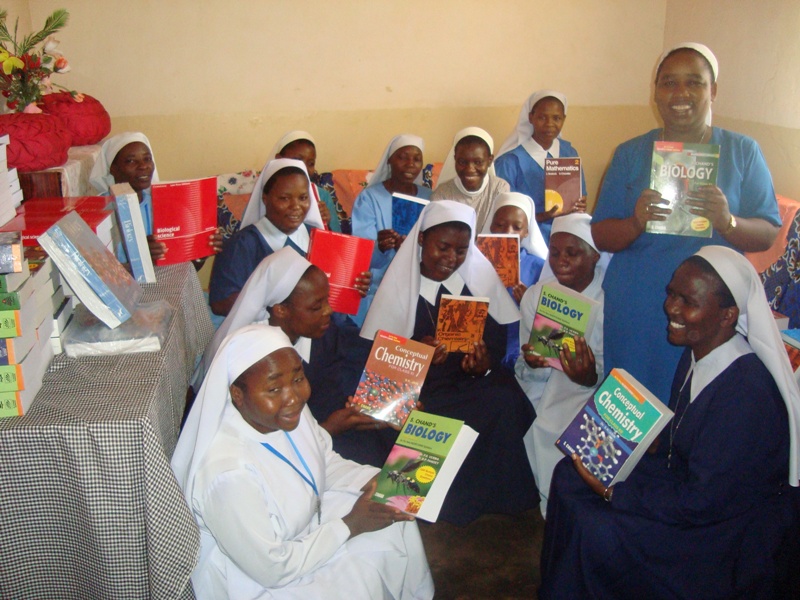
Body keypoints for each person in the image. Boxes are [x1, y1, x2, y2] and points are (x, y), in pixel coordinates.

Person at [539, 246, 800, 599]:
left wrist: (615, 492)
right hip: (690, 486)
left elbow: (705, 502)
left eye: (687, 301)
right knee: (570, 476)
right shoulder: (699, 353)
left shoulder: (746, 394)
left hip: (724, 535)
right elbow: (687, 443)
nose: (671, 308)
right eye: (671, 294)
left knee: (597, 525)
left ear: (727, 315)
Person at [173, 324, 434, 599]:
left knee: (393, 511)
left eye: (298, 379)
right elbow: (273, 568)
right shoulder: (227, 474)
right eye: (273, 389)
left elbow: (323, 460)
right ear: (237, 395)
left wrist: (372, 482)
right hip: (261, 578)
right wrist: (351, 524)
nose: (293, 397)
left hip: (310, 521)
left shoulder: (285, 412)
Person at [591, 42, 781, 403]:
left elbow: (768, 231)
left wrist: (727, 221)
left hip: (711, 312)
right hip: (639, 306)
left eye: (694, 82)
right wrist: (635, 222)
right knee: (633, 407)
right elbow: (601, 234)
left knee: (701, 405)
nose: (680, 93)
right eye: (668, 83)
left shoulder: (742, 151)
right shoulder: (630, 153)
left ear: (713, 90)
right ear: (656, 93)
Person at [360, 200, 537, 524]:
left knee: (504, 397)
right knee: (401, 420)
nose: (451, 258)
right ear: (423, 239)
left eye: (460, 250)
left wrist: (481, 364)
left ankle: (499, 500)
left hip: (467, 385)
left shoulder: (477, 283)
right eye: (443, 247)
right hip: (417, 393)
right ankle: (413, 496)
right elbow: (379, 378)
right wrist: (416, 354)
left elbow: (496, 349)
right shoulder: (400, 287)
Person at [203, 247, 394, 467]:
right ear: (281, 310)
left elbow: (366, 356)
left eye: (327, 301)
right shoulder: (253, 364)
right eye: (316, 307)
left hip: (339, 426)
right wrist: (329, 428)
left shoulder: (324, 333)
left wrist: (396, 399)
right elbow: (262, 443)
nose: (328, 311)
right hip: (293, 449)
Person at [515, 213, 605, 517]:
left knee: (568, 425)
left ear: (594, 256)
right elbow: (524, 367)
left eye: (572, 253)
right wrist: (533, 363)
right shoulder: (536, 296)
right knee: (534, 418)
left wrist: (589, 376)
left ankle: (570, 511)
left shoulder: (610, 298)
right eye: (554, 252)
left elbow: (615, 364)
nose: (560, 261)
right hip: (544, 385)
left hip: (594, 389)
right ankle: (547, 505)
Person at [208, 158, 325, 315]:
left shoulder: (318, 239)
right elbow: (220, 303)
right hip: (264, 332)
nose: (296, 206)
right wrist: (273, 308)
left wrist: (352, 287)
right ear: (265, 198)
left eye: (303, 198)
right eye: (284, 198)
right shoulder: (242, 244)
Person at [89, 132, 223, 266]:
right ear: (113, 168)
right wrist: (138, 257)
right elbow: (95, 269)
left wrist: (202, 249)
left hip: (167, 283)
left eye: (147, 159)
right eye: (130, 161)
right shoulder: (98, 211)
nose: (143, 166)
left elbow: (187, 267)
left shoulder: (165, 206)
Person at [351, 134, 432, 326]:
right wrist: (381, 246)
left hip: (419, 285)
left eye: (416, 159)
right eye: (402, 157)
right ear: (390, 160)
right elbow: (361, 254)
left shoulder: (429, 197)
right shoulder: (369, 198)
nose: (410, 164)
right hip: (379, 287)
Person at [495, 90, 586, 244]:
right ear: (531, 117)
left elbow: (582, 196)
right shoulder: (510, 161)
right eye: (542, 117)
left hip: (566, 237)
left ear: (564, 119)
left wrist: (580, 205)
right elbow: (502, 218)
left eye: (556, 118)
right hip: (526, 241)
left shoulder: (569, 153)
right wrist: (545, 216)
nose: (550, 124)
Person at [430, 127, 510, 231]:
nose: (470, 169)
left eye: (478, 162)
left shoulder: (500, 189)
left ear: (490, 161)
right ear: (455, 160)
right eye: (463, 162)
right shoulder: (442, 195)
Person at [272, 130, 341, 232]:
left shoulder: (322, 195)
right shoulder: (267, 194)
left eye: (311, 164)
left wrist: (327, 222)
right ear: (279, 159)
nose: (304, 168)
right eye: (297, 161)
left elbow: (338, 241)